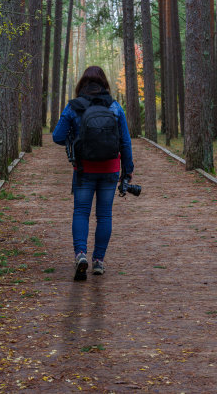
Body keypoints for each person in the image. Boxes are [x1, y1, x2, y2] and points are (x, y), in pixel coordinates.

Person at [52, 66, 134, 281]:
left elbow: (57, 137)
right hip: (110, 169)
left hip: (83, 169)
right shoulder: (115, 107)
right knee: (104, 215)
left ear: (82, 84)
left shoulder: (73, 107)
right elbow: (125, 142)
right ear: (104, 83)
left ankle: (80, 255)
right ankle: (98, 261)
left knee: (81, 212)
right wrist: (128, 171)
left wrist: (73, 135)